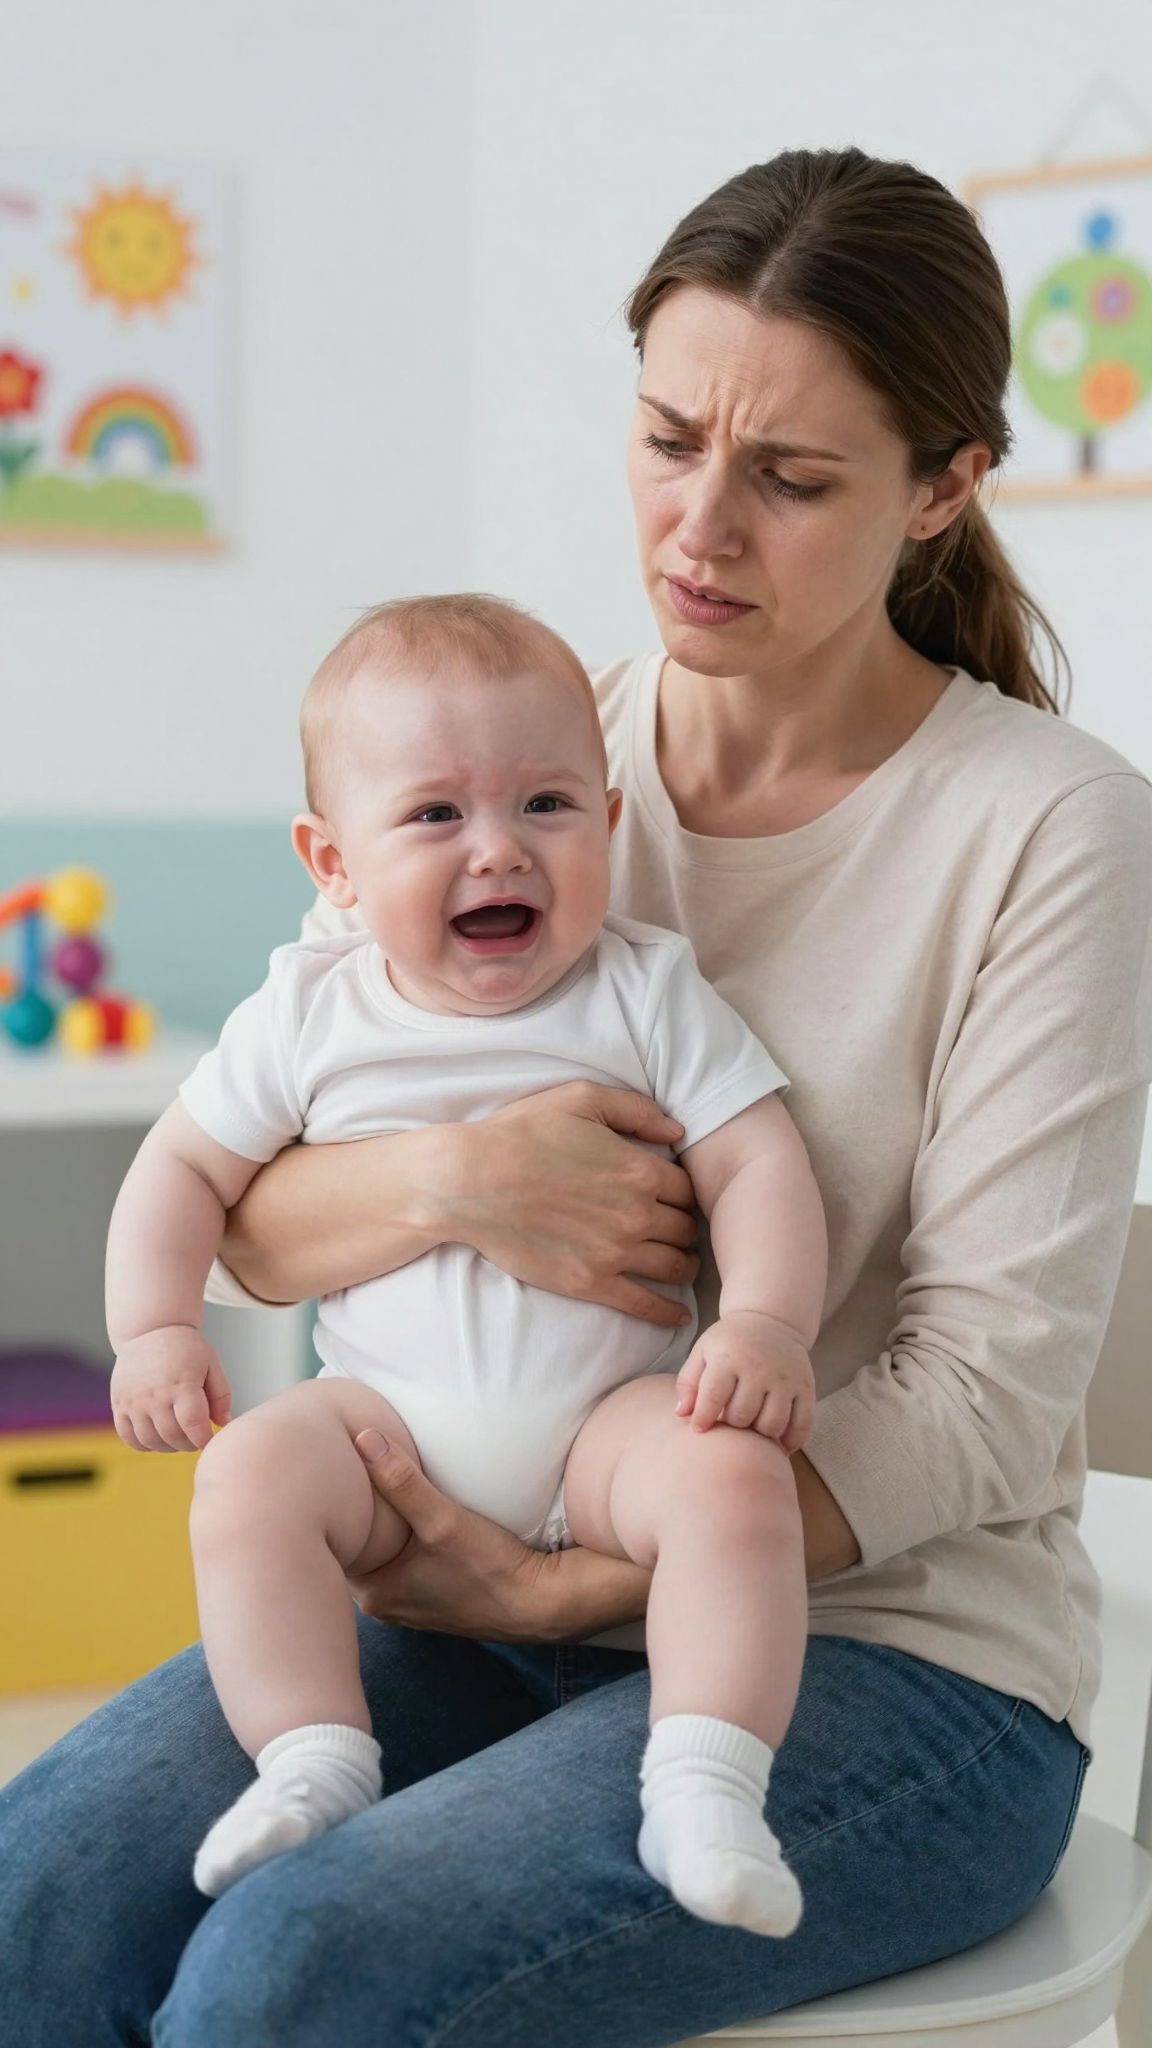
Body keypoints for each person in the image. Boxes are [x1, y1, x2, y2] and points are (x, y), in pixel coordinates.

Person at [2, 144, 1150, 2047]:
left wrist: (554, 1584)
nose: (701, 525)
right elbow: (256, 1191)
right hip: (457, 1576)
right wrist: (461, 1183)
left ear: (945, 486)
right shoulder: (513, 749)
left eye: (789, 479)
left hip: (891, 1663)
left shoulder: (1050, 831)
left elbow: (982, 1390)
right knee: (37, 1896)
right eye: (669, 437)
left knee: (294, 1979)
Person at [105, 592, 826, 1932]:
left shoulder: (642, 987)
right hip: (387, 1437)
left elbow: (756, 1160)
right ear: (334, 862)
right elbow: (182, 1174)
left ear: (608, 825)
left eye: (548, 805)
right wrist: (154, 1329)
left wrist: (770, 1322)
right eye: (436, 815)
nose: (499, 850)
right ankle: (314, 1753)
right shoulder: (309, 1010)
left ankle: (707, 1780)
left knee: (732, 1478)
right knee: (252, 1473)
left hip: (605, 1436)